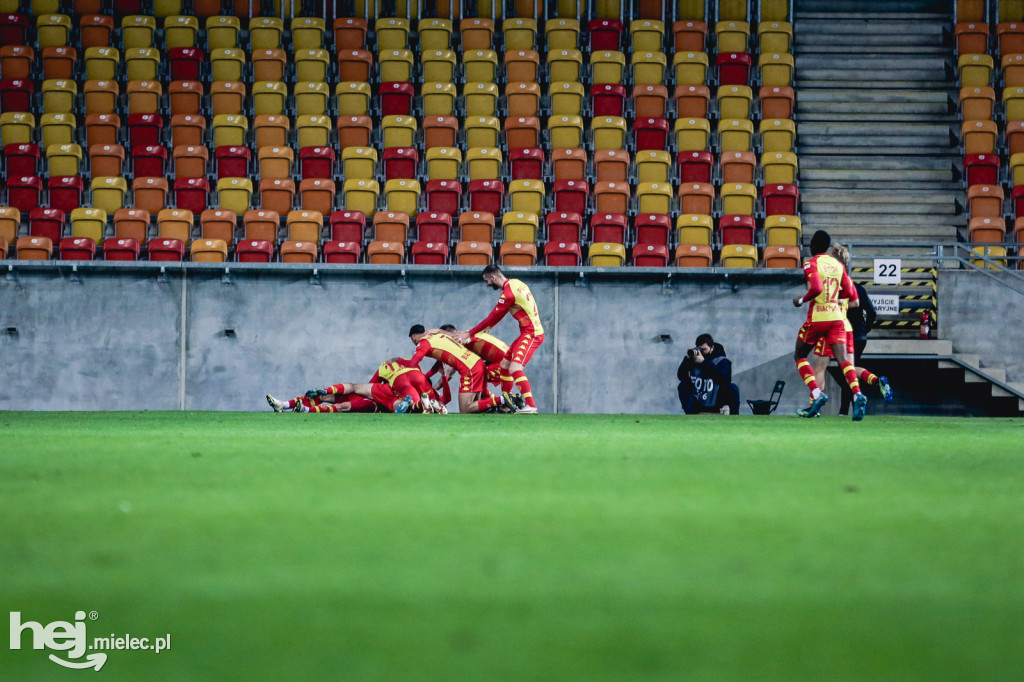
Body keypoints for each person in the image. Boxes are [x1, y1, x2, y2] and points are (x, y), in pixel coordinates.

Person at [792, 230, 867, 421]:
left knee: (800, 355)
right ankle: (858, 395)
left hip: (818, 317)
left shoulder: (811, 263)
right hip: (837, 318)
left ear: (813, 245)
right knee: (844, 361)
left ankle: (817, 395)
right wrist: (833, 297)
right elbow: (851, 293)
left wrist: (801, 300)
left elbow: (816, 288)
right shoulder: (838, 265)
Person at [809, 244, 893, 415]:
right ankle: (875, 381)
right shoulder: (853, 284)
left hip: (833, 327)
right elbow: (860, 305)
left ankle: (816, 408)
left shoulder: (832, 280)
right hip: (851, 332)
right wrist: (863, 328)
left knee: (820, 368)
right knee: (849, 369)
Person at [454, 264, 543, 414]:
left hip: (532, 334)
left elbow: (491, 317)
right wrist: (491, 325)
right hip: (527, 333)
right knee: (505, 364)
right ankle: (507, 402)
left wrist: (469, 334)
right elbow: (500, 314)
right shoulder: (516, 283)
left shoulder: (508, 294)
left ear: (493, 278)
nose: (487, 284)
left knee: (515, 368)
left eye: (487, 281)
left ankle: (531, 406)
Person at [405, 324, 514, 414]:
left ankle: (504, 400)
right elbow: (439, 366)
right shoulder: (438, 337)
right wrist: (428, 379)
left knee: (465, 410)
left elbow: (413, 364)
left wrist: (401, 370)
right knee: (475, 408)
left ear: (413, 337)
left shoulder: (424, 343)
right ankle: (500, 404)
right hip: (478, 364)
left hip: (471, 369)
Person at [676, 333, 741, 415]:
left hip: (717, 400)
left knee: (732, 388)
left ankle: (733, 419)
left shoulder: (723, 361)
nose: (702, 353)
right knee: (683, 386)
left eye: (704, 350)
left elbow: (724, 378)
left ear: (712, 348)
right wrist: (687, 360)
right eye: (700, 349)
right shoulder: (693, 360)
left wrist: (704, 362)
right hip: (698, 400)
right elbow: (681, 376)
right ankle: (691, 415)